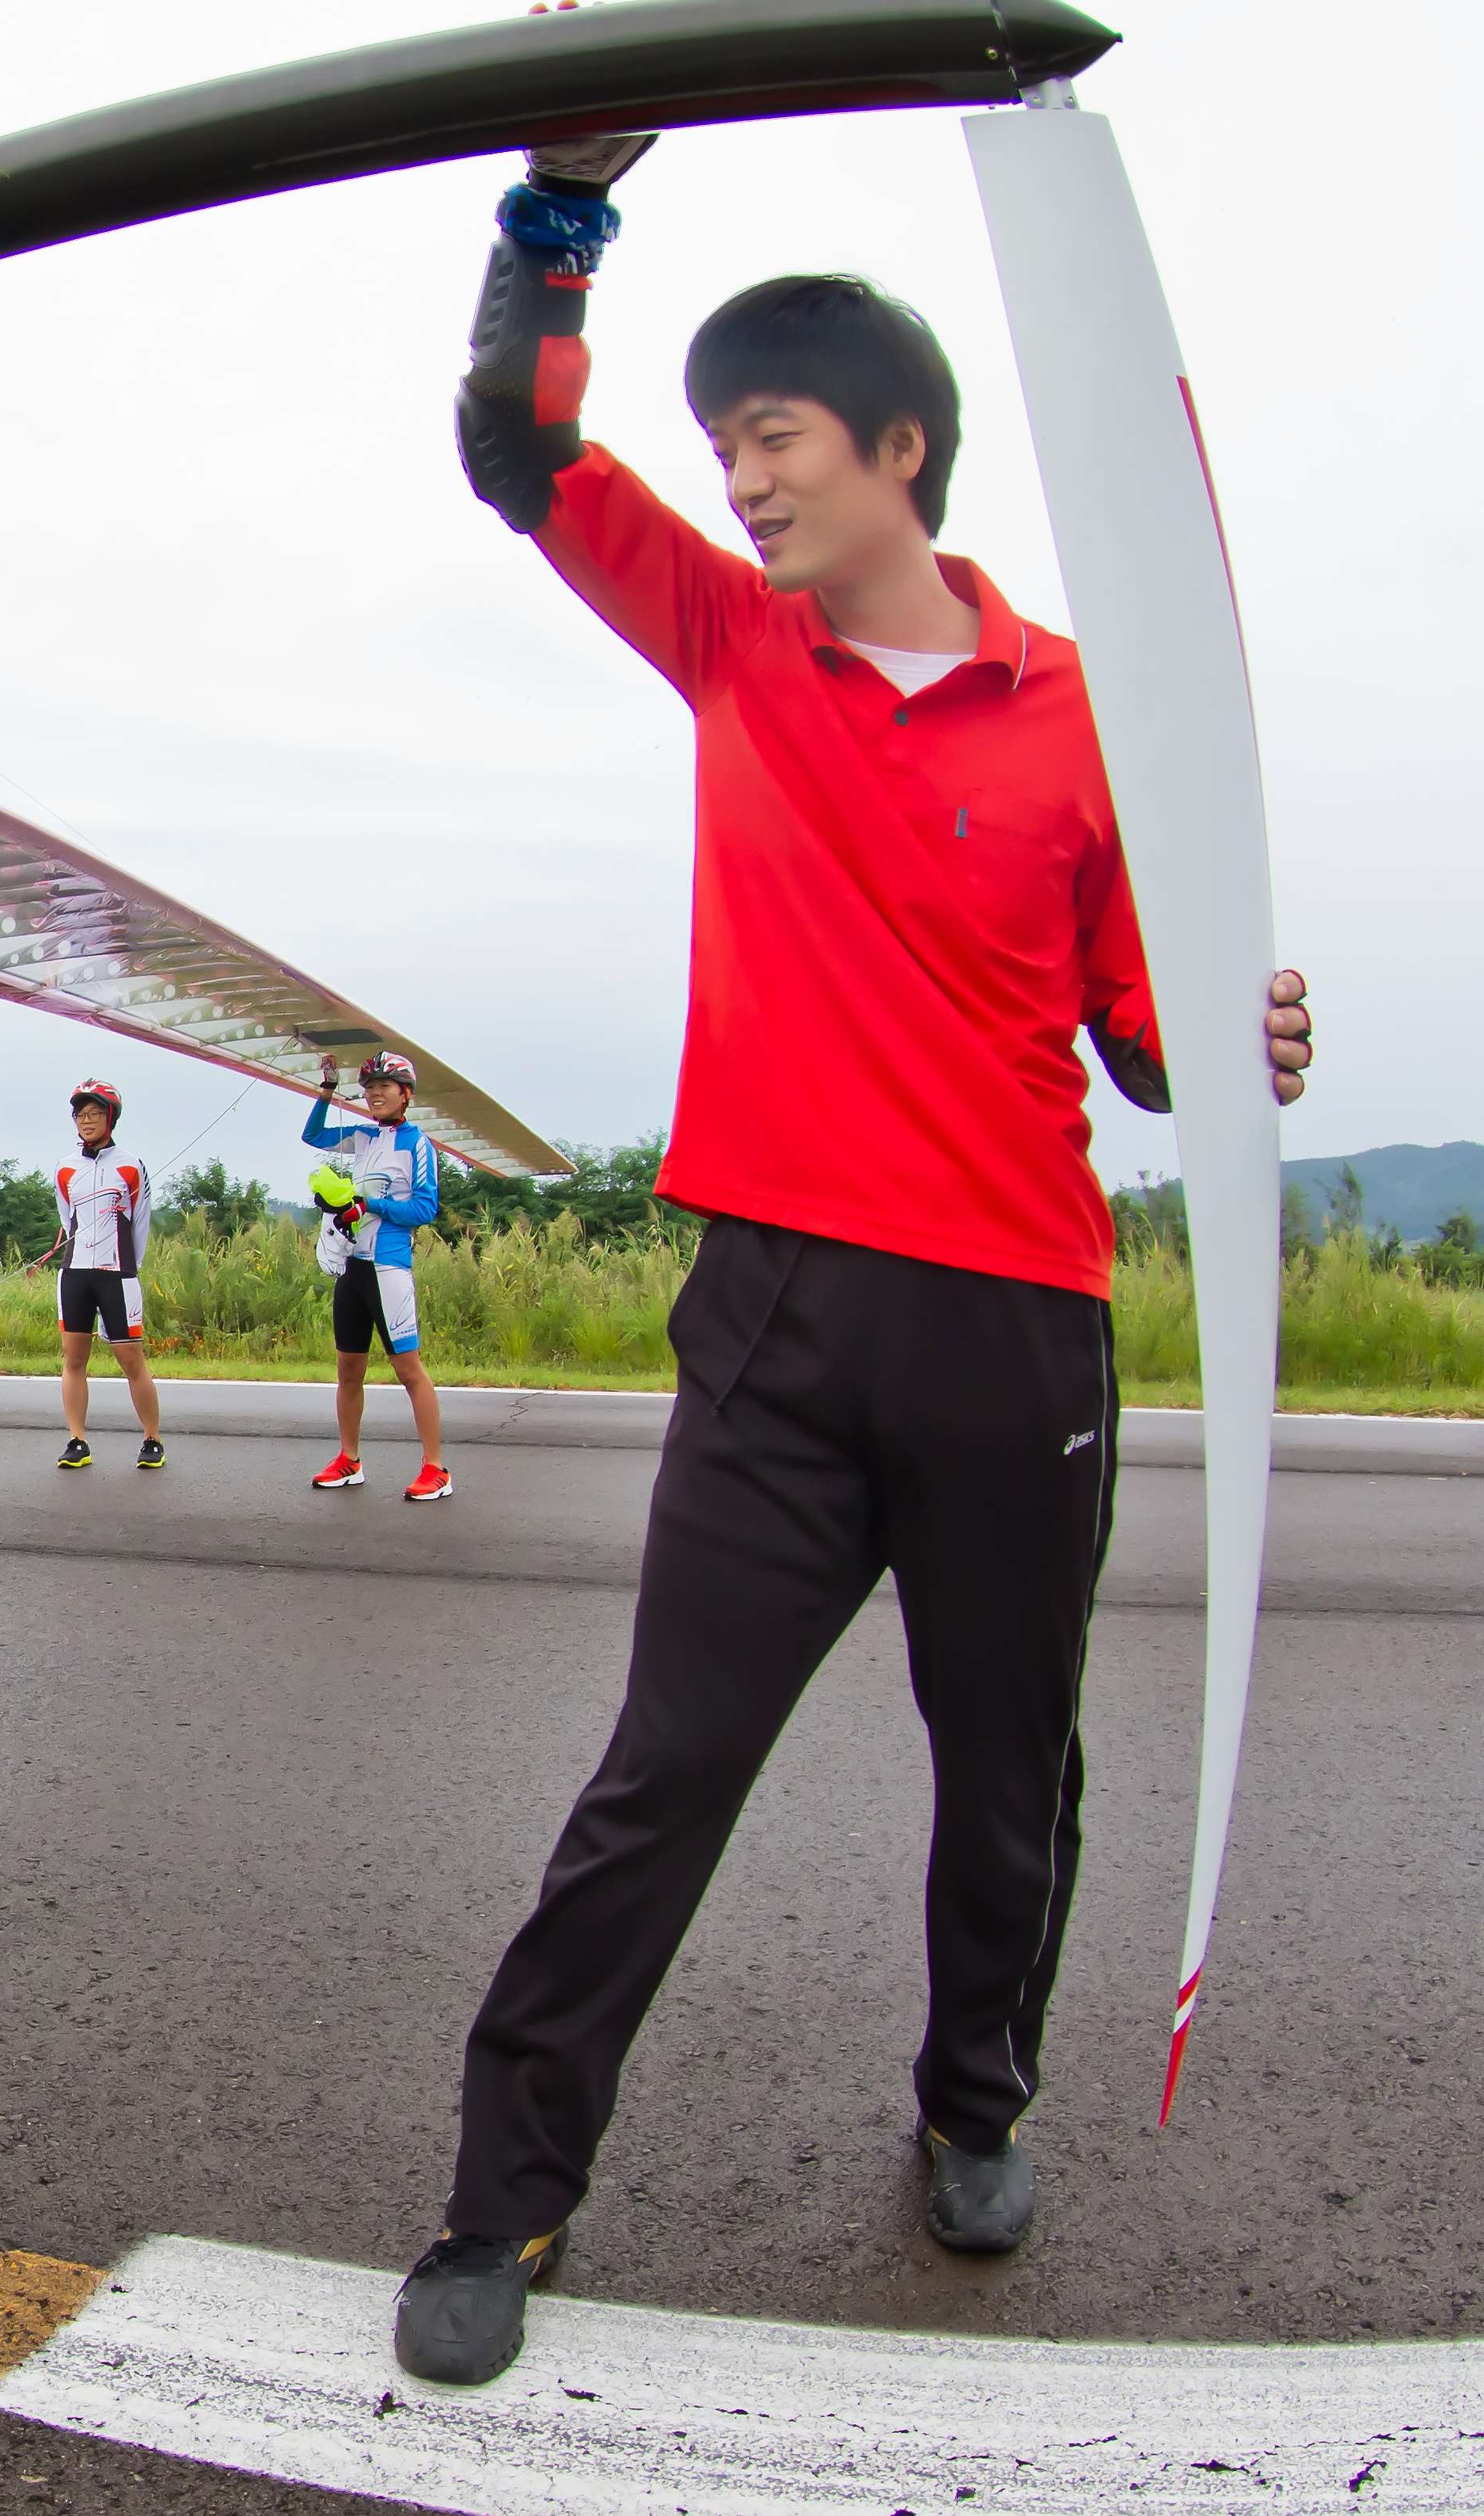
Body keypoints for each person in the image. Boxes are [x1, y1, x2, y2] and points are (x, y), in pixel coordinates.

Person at [391, 154, 1319, 2386]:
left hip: (1019, 1331)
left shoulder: (1097, 715)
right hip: (783, 1320)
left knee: (1009, 1767)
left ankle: (971, 2104)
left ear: (900, 448)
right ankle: (504, 2194)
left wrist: (1242, 1021)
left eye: (775, 434)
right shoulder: (732, 637)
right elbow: (518, 445)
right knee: (665, 1762)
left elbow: (1144, 1045)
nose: (741, 473)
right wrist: (554, 215)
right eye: (721, 446)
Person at [303, 1051, 448, 1501]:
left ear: (406, 1094)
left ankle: (437, 1469)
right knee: (348, 1368)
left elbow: (425, 1208)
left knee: (409, 1370)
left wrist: (372, 1205)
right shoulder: (364, 1136)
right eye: (368, 1087)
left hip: (389, 1268)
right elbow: (314, 1135)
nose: (376, 1094)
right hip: (352, 1266)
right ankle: (349, 1459)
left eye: (386, 1086)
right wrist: (327, 1090)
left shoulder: (417, 1144)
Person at [52, 1080, 161, 1471]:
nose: (87, 1121)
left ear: (110, 1117)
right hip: (75, 1274)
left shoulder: (131, 1165)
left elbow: (140, 1223)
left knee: (131, 1359)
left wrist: (129, 1268)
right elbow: (69, 1219)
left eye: (95, 1113)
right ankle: (77, 1439)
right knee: (73, 1357)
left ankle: (152, 1439)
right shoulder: (65, 1168)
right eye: (81, 1114)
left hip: (118, 1273)